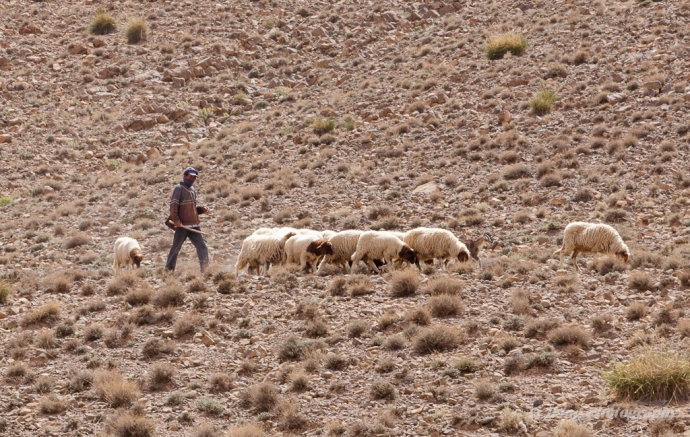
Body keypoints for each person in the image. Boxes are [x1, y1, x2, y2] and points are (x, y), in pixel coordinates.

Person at [165, 167, 210, 273]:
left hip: (194, 224)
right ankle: (169, 271)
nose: (192, 179)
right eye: (190, 176)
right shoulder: (178, 189)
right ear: (185, 176)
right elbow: (174, 206)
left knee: (202, 247)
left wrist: (199, 210)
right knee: (176, 248)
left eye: (194, 177)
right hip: (182, 226)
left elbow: (191, 208)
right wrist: (176, 220)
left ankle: (206, 271)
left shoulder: (193, 190)